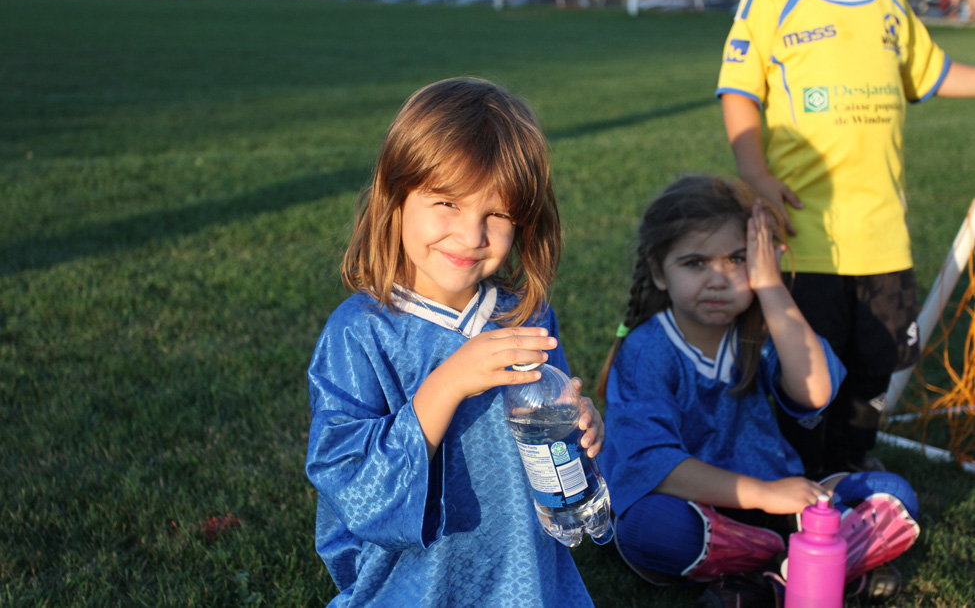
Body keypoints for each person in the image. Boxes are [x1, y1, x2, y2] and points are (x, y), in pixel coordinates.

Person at [304, 77, 605, 608]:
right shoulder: (361, 332)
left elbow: (548, 425)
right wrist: (446, 385)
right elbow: (348, 481)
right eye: (446, 203)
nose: (471, 236)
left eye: (497, 214)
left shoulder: (527, 317)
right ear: (395, 198)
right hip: (415, 584)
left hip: (525, 577)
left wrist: (581, 427)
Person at [597, 176, 921, 607]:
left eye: (737, 259)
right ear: (659, 272)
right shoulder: (646, 351)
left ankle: (763, 583)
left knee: (894, 496)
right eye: (695, 263)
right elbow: (655, 467)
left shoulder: (761, 332)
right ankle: (808, 566)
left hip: (778, 502)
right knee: (649, 527)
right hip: (697, 507)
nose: (719, 279)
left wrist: (770, 289)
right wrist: (767, 495)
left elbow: (816, 390)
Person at [716, 0, 975, 479]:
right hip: (805, 233)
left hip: (883, 236)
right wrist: (757, 176)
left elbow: (933, 71)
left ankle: (852, 461)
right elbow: (740, 90)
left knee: (876, 362)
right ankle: (798, 475)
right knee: (806, 370)